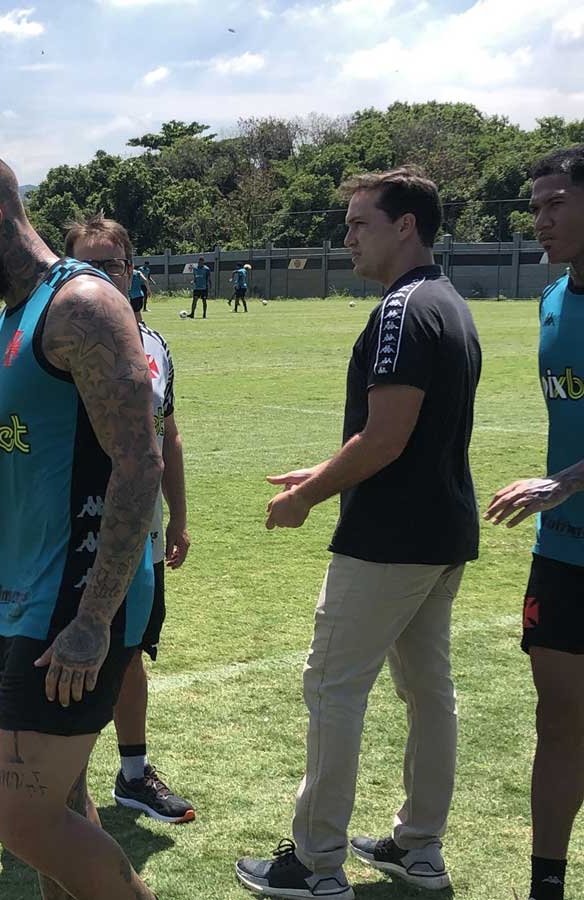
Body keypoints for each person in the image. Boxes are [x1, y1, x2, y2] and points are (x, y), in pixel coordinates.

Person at [0, 149, 161, 900]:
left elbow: (139, 464)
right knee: (57, 807)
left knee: (20, 817)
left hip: (73, 604)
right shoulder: (16, 316)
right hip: (21, 598)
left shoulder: (80, 306)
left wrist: (92, 619)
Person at [235, 166, 481, 899]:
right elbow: (406, 433)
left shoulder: (404, 311)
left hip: (388, 541)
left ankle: (315, 864)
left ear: (405, 225)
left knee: (333, 689)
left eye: (359, 223)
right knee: (430, 692)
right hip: (440, 536)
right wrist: (316, 469)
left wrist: (308, 495)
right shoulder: (451, 303)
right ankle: (418, 848)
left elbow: (387, 439)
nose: (347, 239)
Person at [64, 213, 195, 824]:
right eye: (84, 265)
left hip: (137, 533)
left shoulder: (155, 345)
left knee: (130, 651)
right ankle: (60, 783)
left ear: (131, 271)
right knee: (64, 650)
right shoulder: (61, 341)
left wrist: (179, 518)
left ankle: (133, 773)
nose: (99, 277)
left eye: (110, 265)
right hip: (74, 534)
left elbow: (166, 435)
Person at [484, 145, 584, 900]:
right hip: (563, 549)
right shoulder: (550, 302)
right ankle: (545, 884)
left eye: (555, 203)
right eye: (536, 205)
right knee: (558, 720)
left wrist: (564, 482)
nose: (540, 218)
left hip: (562, 503)